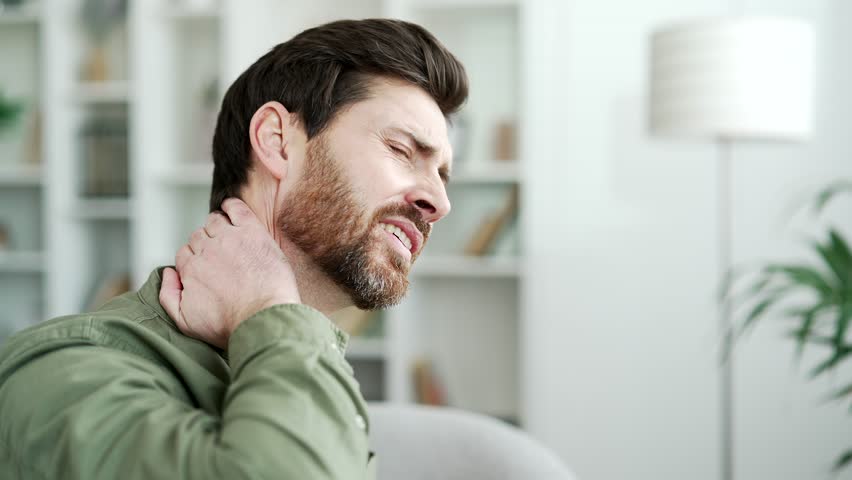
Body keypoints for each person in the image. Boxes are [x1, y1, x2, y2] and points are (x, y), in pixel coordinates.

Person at [0, 18, 467, 479]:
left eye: (442, 177)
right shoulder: (65, 371)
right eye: (403, 150)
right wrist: (267, 308)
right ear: (277, 141)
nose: (439, 203)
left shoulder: (310, 366)